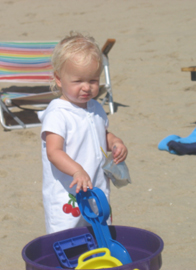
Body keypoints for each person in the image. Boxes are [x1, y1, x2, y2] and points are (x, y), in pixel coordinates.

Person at [38, 32, 128, 234]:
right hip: (67, 192)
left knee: (98, 232)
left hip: (96, 187)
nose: (86, 87)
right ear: (59, 79)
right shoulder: (58, 113)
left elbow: (101, 133)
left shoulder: (94, 106)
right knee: (67, 237)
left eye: (93, 80)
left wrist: (115, 142)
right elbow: (54, 151)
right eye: (78, 81)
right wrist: (77, 170)